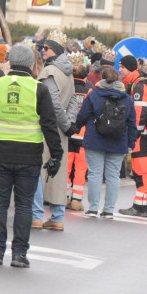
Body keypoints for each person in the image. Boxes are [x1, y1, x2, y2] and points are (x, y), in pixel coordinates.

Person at [0, 43, 63, 268]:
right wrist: (56, 155)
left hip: (0, 153)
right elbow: (50, 125)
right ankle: (19, 254)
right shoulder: (38, 89)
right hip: (29, 156)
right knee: (24, 205)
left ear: (10, 62)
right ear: (32, 64)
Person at [74, 67, 137, 218]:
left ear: (102, 78)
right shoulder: (127, 99)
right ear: (118, 80)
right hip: (118, 141)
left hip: (95, 139)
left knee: (95, 174)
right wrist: (130, 143)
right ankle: (109, 210)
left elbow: (82, 116)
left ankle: (93, 208)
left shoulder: (94, 95)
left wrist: (75, 128)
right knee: (113, 176)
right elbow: (132, 123)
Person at [35, 36, 77, 231]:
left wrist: (65, 124)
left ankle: (36, 215)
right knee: (58, 172)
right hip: (61, 129)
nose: (43, 52)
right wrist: (69, 124)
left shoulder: (50, 71)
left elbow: (52, 104)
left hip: (47, 128)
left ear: (55, 51)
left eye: (46, 49)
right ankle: (57, 217)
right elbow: (73, 101)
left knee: (40, 171)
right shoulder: (67, 72)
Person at [117, 54, 147, 216]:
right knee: (141, 171)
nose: (120, 70)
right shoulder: (136, 83)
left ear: (131, 68)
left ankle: (141, 207)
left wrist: (133, 136)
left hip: (141, 134)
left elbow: (140, 114)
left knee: (141, 171)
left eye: (122, 67)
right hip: (143, 133)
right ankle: (144, 205)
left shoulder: (138, 86)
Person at [65, 54, 89, 212]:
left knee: (66, 168)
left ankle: (64, 197)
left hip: (67, 133)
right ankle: (76, 200)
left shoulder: (67, 87)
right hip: (83, 136)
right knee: (80, 169)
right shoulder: (90, 90)